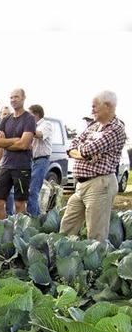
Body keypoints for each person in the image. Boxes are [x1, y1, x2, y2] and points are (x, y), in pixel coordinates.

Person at [60, 91, 127, 242]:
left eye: (95, 106)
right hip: (81, 186)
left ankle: (97, 266)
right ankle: (65, 258)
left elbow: (88, 150)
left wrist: (82, 151)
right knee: (67, 226)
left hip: (100, 185)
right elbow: (73, 146)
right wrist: (81, 153)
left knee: (96, 235)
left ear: (107, 106)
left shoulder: (116, 128)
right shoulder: (93, 125)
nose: (92, 110)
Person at [0, 89, 37, 219]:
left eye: (16, 97)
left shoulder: (29, 119)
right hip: (6, 165)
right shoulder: (6, 119)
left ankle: (19, 235)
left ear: (23, 98)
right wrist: (14, 140)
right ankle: (2, 234)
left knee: (19, 204)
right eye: (11, 97)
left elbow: (24, 144)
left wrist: (4, 142)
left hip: (22, 167)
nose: (13, 100)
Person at [27, 104, 53, 217]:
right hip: (32, 160)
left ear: (36, 114)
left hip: (41, 160)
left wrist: (25, 128)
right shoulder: (33, 126)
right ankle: (35, 216)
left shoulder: (46, 124)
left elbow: (39, 134)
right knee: (29, 191)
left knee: (33, 190)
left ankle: (34, 219)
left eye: (29, 115)